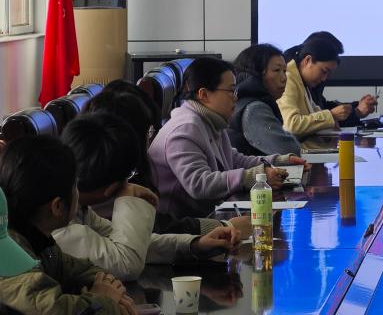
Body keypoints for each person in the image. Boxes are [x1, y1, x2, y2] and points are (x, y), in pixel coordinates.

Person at [52, 113, 238, 281]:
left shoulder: (77, 206)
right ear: (111, 187)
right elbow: (126, 264)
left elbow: (133, 245)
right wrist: (128, 199)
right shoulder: (56, 224)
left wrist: (195, 245)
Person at [149, 57, 304, 217]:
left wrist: (280, 161)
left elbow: (234, 160)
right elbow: (199, 184)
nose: (235, 97)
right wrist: (254, 176)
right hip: (182, 223)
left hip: (206, 214)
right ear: (204, 94)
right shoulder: (185, 129)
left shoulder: (210, 120)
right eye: (231, 91)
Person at [0, 136, 136, 315]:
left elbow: (81, 270)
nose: (78, 194)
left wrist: (107, 290)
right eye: (75, 186)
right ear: (57, 207)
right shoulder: (9, 255)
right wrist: (103, 300)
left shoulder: (39, 242)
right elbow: (54, 309)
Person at [84, 90, 248, 238]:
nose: (151, 139)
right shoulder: (103, 194)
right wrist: (222, 226)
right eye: (148, 132)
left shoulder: (126, 174)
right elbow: (152, 231)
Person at [278, 31, 377, 138]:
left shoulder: (302, 80)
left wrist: (353, 110)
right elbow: (291, 126)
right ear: (308, 60)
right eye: (324, 71)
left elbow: (319, 112)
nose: (324, 78)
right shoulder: (288, 79)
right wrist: (332, 115)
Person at [228, 43, 302, 156]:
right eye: (277, 70)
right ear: (257, 73)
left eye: (284, 71)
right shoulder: (254, 109)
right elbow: (288, 150)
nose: (284, 78)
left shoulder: (242, 101)